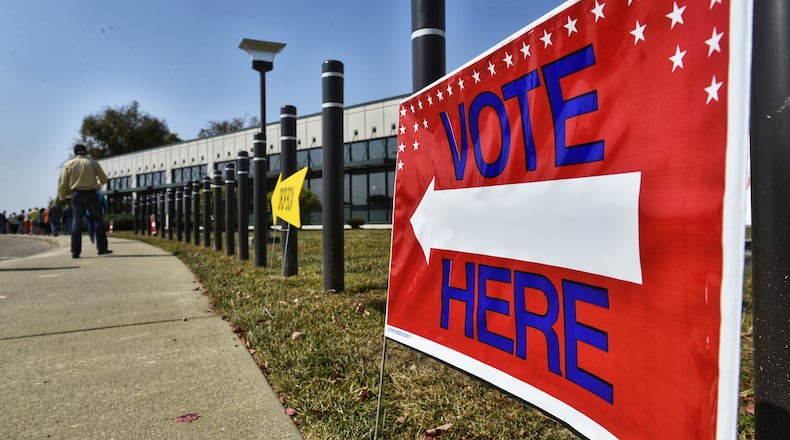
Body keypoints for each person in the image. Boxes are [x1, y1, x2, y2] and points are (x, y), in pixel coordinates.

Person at [57, 144, 112, 258]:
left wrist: (62, 196)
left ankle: (75, 251)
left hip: (77, 194)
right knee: (98, 220)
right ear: (85, 152)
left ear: (75, 152)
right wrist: (96, 184)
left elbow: (62, 183)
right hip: (91, 193)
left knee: (76, 222)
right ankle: (102, 248)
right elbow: (103, 179)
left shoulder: (68, 164)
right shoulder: (92, 162)